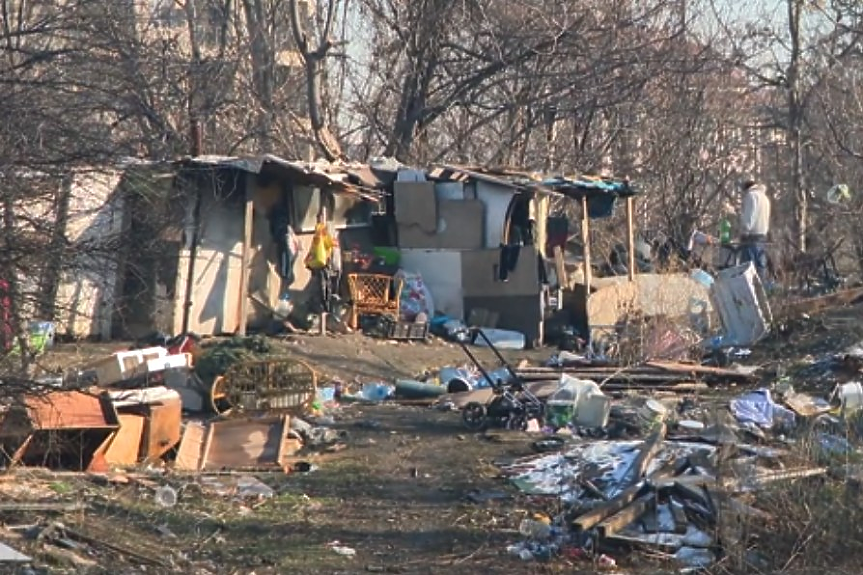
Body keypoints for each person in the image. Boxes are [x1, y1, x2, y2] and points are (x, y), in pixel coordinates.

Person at [738, 178, 771, 280]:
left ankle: (747, 293)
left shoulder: (751, 196)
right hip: (762, 236)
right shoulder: (764, 198)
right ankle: (761, 292)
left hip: (751, 237)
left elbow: (749, 218)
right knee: (760, 267)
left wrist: (743, 232)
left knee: (747, 269)